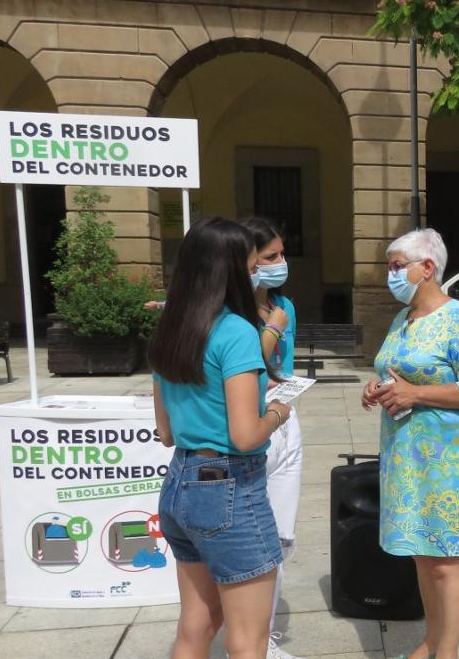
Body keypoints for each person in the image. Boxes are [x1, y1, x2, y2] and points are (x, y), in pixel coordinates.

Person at [148, 218, 292, 659]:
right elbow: (246, 435)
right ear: (230, 270)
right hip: (229, 488)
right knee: (247, 640)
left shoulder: (170, 328)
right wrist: (276, 413)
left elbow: (166, 431)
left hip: (179, 486)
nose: (257, 274)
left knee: (196, 626)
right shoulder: (236, 332)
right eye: (252, 265)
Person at [360, 229, 459, 659]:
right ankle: (431, 643)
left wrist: (415, 394)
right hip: (403, 459)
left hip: (442, 463)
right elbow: (395, 372)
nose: (391, 275)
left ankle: (447, 653)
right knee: (421, 555)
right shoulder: (404, 320)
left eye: (397, 266)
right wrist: (377, 388)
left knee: (444, 559)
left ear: (427, 268)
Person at [241, 217, 304, 659]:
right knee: (251, 538)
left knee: (280, 536)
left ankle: (263, 639)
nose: (281, 263)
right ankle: (248, 640)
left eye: (282, 254)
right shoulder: (232, 312)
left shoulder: (283, 304)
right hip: (252, 425)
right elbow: (252, 365)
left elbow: (279, 369)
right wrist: (272, 328)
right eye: (270, 257)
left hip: (286, 418)